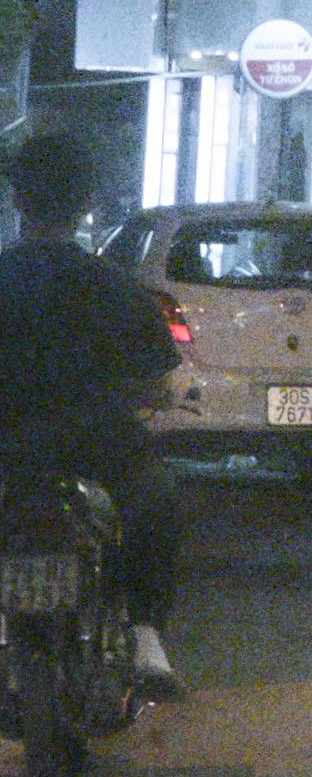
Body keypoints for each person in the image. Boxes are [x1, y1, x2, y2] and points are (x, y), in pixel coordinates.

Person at [0, 125, 187, 687]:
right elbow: (156, 375)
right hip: (98, 452)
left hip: (6, 449)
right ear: (86, 203)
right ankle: (147, 638)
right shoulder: (113, 286)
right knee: (158, 501)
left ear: (16, 199)